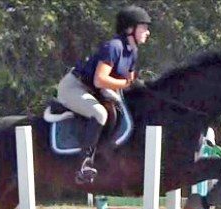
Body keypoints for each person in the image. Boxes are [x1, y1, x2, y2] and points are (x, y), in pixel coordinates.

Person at [57, 5, 152, 184]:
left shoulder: (132, 51)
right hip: (75, 87)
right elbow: (100, 80)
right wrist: (127, 83)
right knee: (99, 113)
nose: (148, 32)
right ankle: (84, 164)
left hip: (95, 90)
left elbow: (129, 80)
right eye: (144, 28)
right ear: (130, 29)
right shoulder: (114, 47)